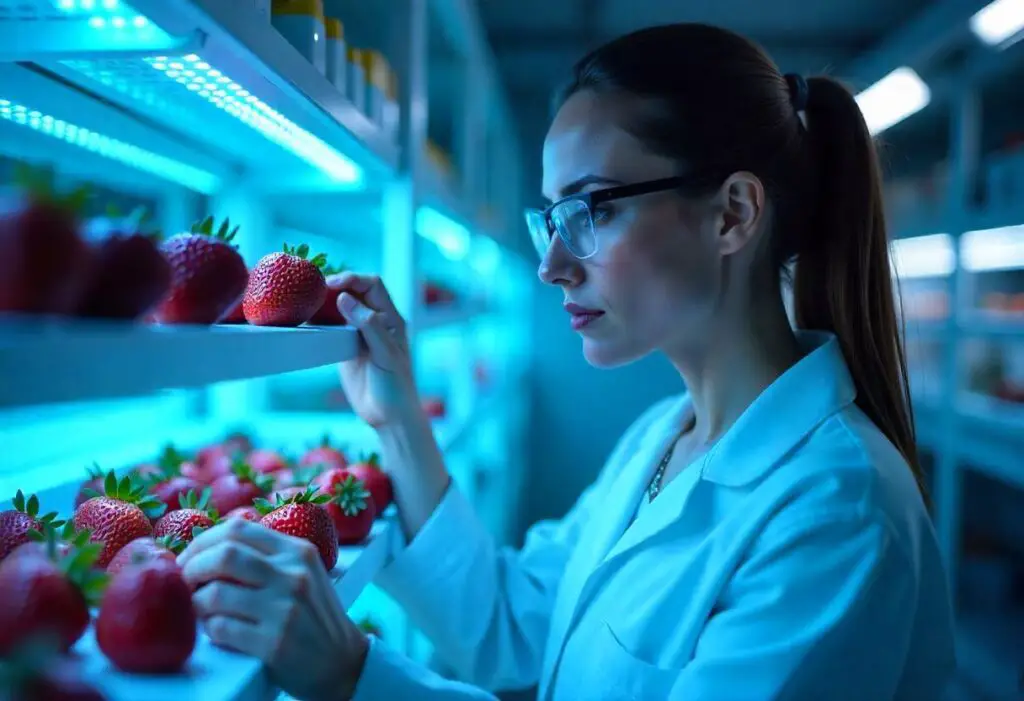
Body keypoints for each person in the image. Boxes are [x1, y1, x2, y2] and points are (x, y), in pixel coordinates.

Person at [177, 22, 956, 701]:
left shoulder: (837, 514)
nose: (552, 263)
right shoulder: (665, 435)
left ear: (732, 214)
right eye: (551, 216)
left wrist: (354, 673)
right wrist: (398, 414)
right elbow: (510, 624)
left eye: (595, 209)